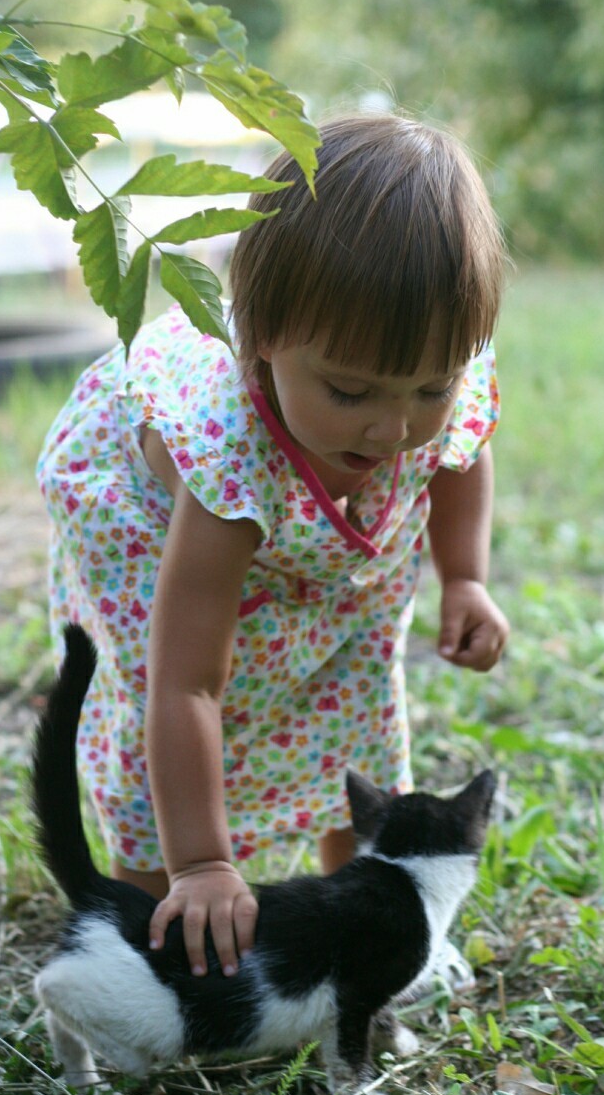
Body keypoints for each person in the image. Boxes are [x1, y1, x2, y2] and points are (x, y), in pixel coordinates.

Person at [37, 113, 509, 986]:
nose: (391, 425)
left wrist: (464, 578)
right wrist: (203, 867)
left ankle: (355, 904)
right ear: (261, 346)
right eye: (350, 389)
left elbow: (460, 452)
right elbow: (185, 681)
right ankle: (151, 910)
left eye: (429, 387)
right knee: (169, 724)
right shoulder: (225, 460)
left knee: (356, 679)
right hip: (160, 540)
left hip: (328, 549)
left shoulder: (425, 390)